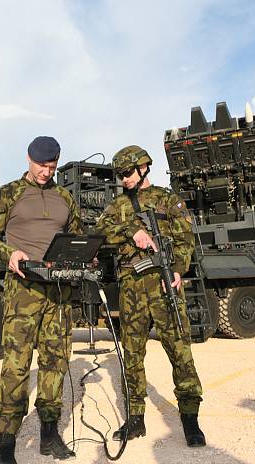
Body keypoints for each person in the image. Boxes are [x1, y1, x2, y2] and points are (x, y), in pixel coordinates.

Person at [0, 136, 83, 464]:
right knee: (17, 366)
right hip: (22, 292)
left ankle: (49, 435)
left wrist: (80, 257)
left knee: (55, 362)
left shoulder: (65, 196)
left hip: (59, 294)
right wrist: (9, 254)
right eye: (41, 165)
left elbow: (77, 236)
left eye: (51, 166)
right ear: (28, 159)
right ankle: (6, 443)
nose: (46, 171)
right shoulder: (8, 194)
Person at [95, 145, 206, 447]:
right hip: (131, 289)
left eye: (128, 173)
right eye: (119, 175)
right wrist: (131, 230)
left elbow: (186, 240)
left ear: (144, 168)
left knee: (180, 352)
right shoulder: (117, 206)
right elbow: (100, 231)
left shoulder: (168, 200)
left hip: (163, 286)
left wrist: (179, 269)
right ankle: (135, 418)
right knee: (132, 355)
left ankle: (190, 418)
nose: (124, 179)